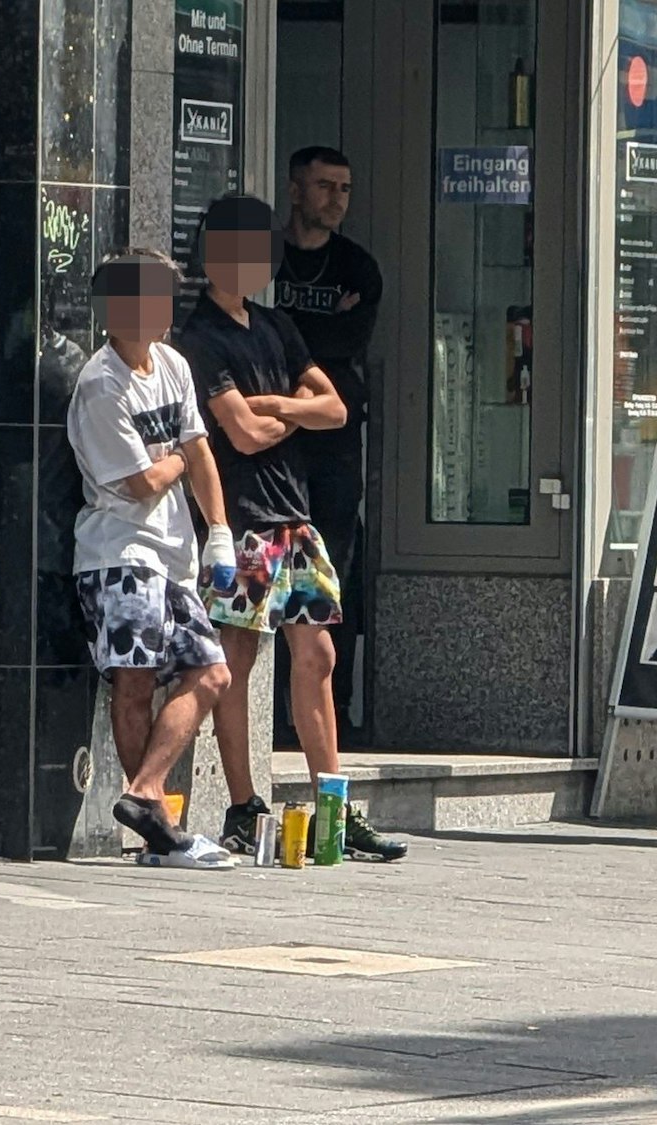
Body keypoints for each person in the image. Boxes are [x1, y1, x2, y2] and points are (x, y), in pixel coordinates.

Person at [177, 193, 407, 863]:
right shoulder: (198, 338)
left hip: (295, 519)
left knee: (320, 656)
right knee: (237, 661)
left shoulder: (277, 326)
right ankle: (245, 804)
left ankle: (333, 804)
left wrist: (278, 404)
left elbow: (334, 407)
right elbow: (241, 436)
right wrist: (289, 415)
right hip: (245, 519)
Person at [69, 249, 238, 869]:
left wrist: (218, 529)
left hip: (175, 554)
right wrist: (175, 459)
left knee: (211, 673)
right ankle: (158, 836)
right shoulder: (100, 383)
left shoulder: (172, 364)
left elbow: (200, 454)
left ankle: (143, 794)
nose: (154, 312)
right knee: (134, 681)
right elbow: (140, 482)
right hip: (118, 553)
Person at [273, 146, 382, 738]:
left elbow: (343, 341)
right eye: (324, 187)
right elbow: (263, 331)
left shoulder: (358, 268)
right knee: (269, 574)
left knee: (329, 574)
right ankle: (273, 714)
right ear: (295, 191)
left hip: (335, 444)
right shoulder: (267, 259)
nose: (336, 199)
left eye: (344, 189)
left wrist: (289, 336)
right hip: (273, 442)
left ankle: (328, 713)